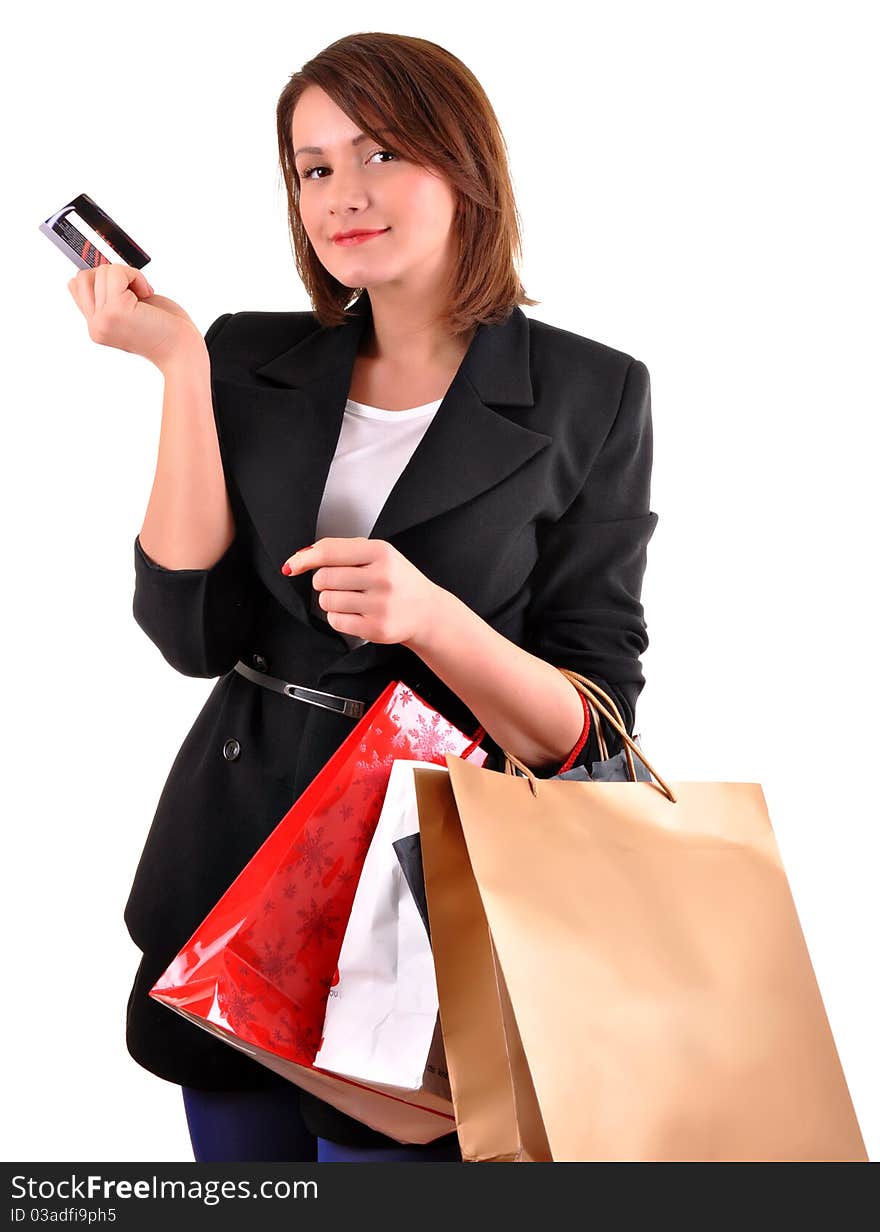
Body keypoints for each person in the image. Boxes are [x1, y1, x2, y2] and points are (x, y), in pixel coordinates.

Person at [67, 31, 658, 1163]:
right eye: (313, 165)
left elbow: (594, 723)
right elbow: (192, 630)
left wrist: (433, 615)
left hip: (425, 902)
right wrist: (180, 368)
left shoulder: (591, 391)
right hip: (235, 865)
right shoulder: (246, 357)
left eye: (379, 151)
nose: (343, 194)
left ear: (464, 166)